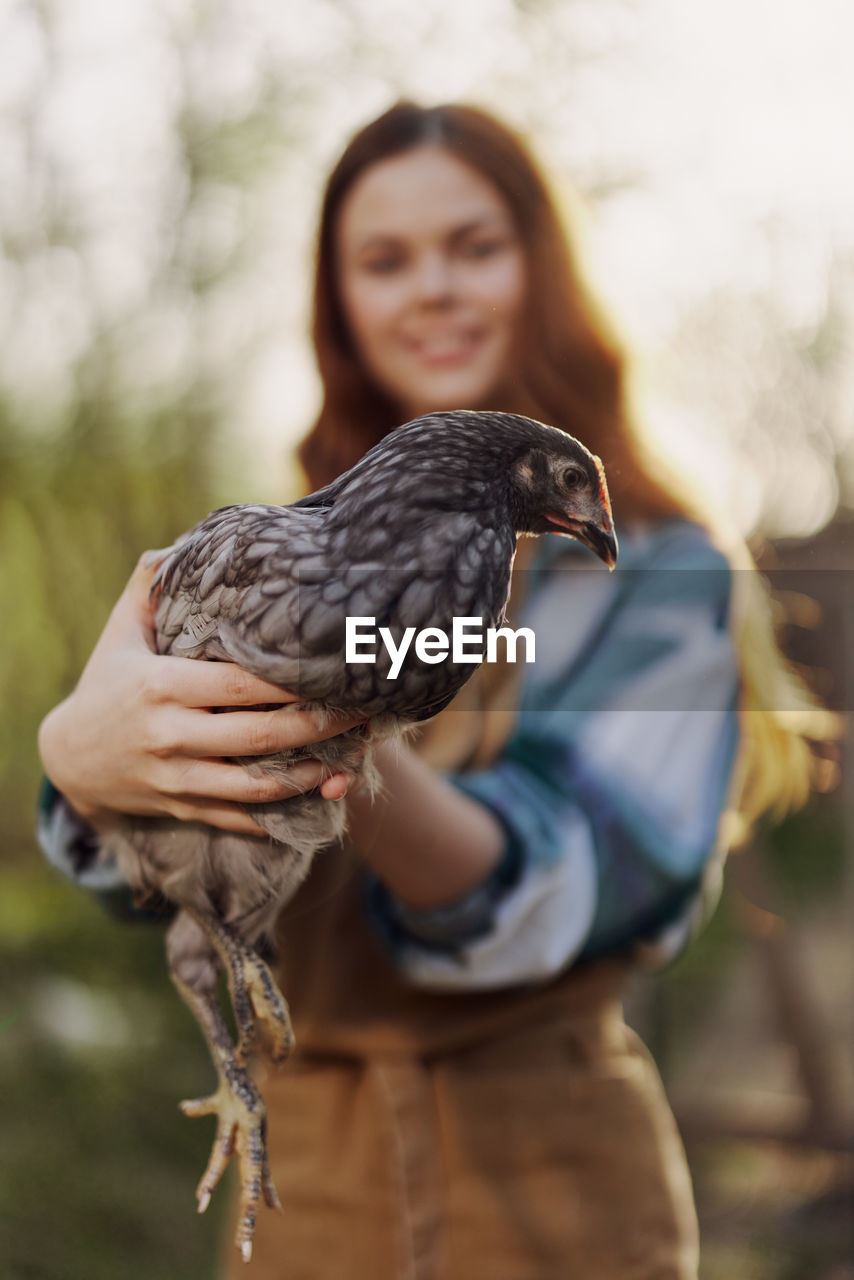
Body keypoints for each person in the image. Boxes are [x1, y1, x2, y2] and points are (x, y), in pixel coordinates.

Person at [37, 102, 827, 1280]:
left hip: (553, 1196)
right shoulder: (270, 539)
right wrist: (85, 765)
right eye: (384, 259)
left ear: (542, 267)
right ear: (338, 301)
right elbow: (153, 885)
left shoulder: (665, 576)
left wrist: (338, 724)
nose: (433, 289)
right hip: (313, 1195)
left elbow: (597, 885)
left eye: (474, 245)